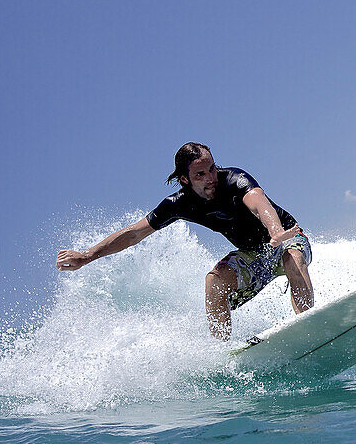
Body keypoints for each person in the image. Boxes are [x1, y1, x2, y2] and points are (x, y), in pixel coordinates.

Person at [56, 142, 314, 341]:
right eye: (200, 174)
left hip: (288, 240)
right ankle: (223, 353)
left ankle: (308, 327)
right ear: (185, 179)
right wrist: (87, 256)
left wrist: (276, 231)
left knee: (292, 257)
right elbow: (135, 233)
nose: (211, 177)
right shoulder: (178, 204)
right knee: (214, 281)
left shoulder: (234, 180)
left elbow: (257, 201)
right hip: (253, 256)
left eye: (212, 168)